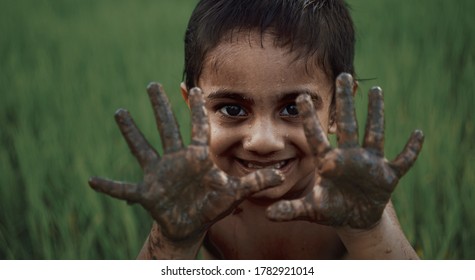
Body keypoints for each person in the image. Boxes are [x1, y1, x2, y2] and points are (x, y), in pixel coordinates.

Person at [89, 0, 424, 259]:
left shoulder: (350, 191)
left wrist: (369, 230)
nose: (263, 140)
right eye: (232, 109)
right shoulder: (198, 194)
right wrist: (173, 240)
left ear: (337, 108)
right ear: (195, 109)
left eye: (294, 109)